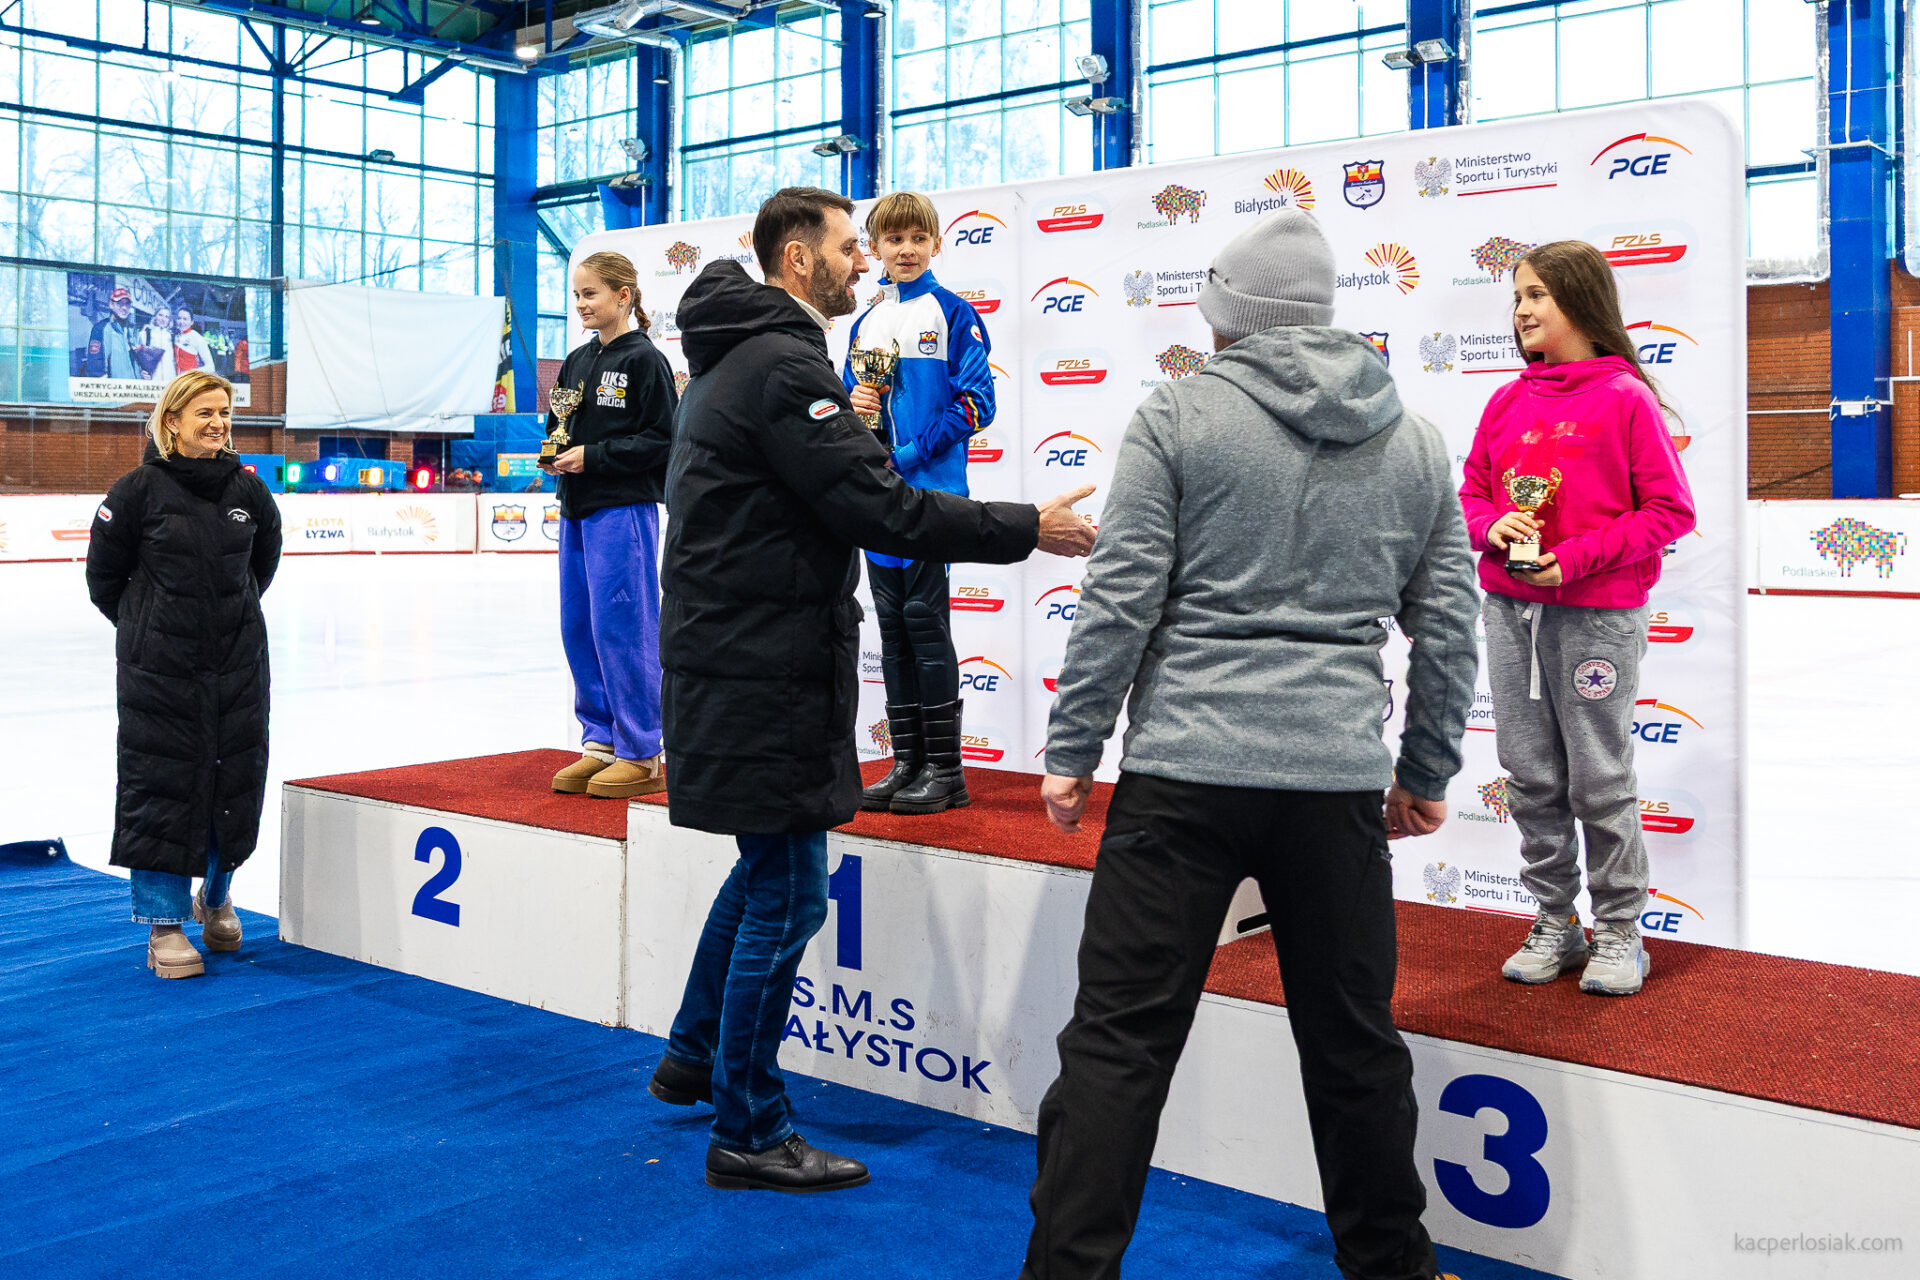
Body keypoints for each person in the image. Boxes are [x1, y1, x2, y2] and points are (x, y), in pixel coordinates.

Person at [1024, 208, 1479, 1280]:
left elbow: (1121, 597)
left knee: (1119, 1043)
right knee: (1355, 1044)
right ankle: (1394, 1267)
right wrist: (1425, 768)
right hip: (1333, 782)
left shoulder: (1178, 414)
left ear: (1224, 311)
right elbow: (1451, 622)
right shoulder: (1415, 439)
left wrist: (1073, 745)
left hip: (1184, 773)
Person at [647, 187, 1097, 1194]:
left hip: (741, 656)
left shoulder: (743, 356)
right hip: (760, 666)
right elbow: (881, 506)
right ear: (799, 259)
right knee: (789, 893)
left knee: (765, 870)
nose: (863, 261)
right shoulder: (781, 365)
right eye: (849, 246)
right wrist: (1029, 527)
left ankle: (692, 1056)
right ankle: (749, 1127)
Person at [1459, 240, 1697, 997]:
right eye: (1518, 297)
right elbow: (1471, 495)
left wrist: (1573, 561)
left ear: (1583, 304)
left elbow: (1670, 511)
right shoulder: (1507, 402)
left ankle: (1620, 929)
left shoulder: (1625, 398)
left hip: (1596, 618)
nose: (1522, 310)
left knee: (1599, 778)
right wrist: (1492, 526)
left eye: (1538, 295)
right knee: (1530, 775)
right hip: (1511, 612)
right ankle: (1555, 921)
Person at [85, 369, 283, 979]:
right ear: (172, 421)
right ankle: (164, 923)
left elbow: (262, 567)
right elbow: (104, 580)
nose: (218, 423)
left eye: (225, 412)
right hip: (160, 673)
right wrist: (153, 628)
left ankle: (216, 897)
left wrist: (226, 623)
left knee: (234, 782)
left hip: (237, 666)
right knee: (161, 789)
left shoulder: (249, 491)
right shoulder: (136, 491)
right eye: (205, 413)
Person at [843, 191, 994, 816]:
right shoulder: (866, 322)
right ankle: (907, 763)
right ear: (874, 248)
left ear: (935, 244)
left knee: (926, 624)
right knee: (894, 628)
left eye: (917, 238)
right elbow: (850, 403)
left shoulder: (954, 313)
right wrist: (858, 411)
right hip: (879, 498)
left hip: (932, 494)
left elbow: (978, 403)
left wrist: (906, 456)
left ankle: (947, 772)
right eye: (893, 239)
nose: (905, 250)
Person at [543, 250, 677, 800]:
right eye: (576, 295)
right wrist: (553, 454)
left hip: (623, 509)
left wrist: (594, 457)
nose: (581, 304)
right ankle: (599, 741)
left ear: (624, 296)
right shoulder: (576, 361)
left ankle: (642, 750)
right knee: (580, 628)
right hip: (575, 508)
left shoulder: (646, 360)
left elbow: (664, 440)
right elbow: (558, 423)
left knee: (625, 628)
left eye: (590, 293)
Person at [84, 285, 139, 379]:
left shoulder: (132, 329)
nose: (124, 308)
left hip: (134, 386)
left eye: (127, 304)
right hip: (116, 387)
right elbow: (95, 367)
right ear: (111, 305)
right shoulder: (101, 328)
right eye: (120, 303)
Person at [134, 305, 175, 382]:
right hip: (152, 381)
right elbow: (136, 359)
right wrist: (141, 372)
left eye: (167, 317)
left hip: (170, 380)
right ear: (155, 316)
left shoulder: (172, 337)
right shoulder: (145, 334)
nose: (163, 319)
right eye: (160, 315)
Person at [171, 306, 215, 375]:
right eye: (179, 318)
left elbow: (211, 367)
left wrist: (191, 373)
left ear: (192, 322)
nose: (181, 322)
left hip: (189, 379)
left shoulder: (197, 338)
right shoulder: (175, 336)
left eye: (185, 319)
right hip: (176, 379)